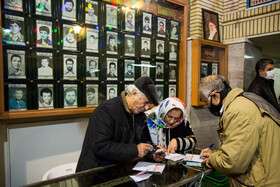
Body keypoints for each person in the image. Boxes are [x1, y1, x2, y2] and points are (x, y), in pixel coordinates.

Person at [199, 75, 280, 186]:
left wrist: (212, 159)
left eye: (205, 102)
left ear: (215, 97)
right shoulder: (243, 100)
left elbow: (232, 163)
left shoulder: (237, 112)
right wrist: (216, 154)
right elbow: (241, 149)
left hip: (263, 181)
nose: (207, 106)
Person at [76, 77, 164, 172]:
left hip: (121, 170)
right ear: (134, 93)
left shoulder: (140, 115)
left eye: (149, 104)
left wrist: (153, 153)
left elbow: (143, 141)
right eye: (146, 102)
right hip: (96, 172)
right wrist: (135, 150)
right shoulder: (106, 111)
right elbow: (101, 146)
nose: (147, 107)